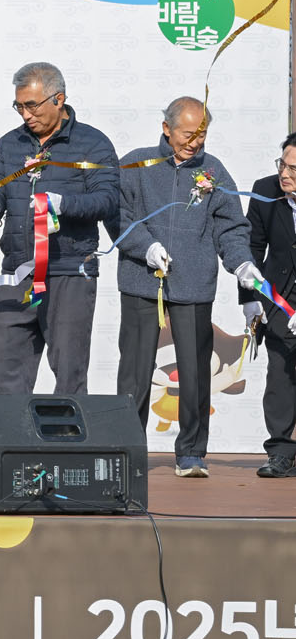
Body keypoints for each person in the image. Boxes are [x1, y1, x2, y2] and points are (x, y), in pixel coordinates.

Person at [113, 97, 258, 477]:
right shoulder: (136, 165)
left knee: (195, 371)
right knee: (134, 372)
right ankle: (127, 451)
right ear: (167, 129)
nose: (195, 142)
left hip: (194, 284)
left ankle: (192, 453)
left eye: (202, 134)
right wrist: (145, 247)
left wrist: (241, 263)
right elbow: (117, 216)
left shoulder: (214, 171)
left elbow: (231, 227)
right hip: (141, 282)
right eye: (187, 134)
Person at [0, 63, 118, 395]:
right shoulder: (11, 143)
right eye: (19, 106)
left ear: (59, 99)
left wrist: (64, 204)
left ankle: (68, 430)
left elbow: (108, 200)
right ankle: (9, 430)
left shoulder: (92, 143)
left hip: (68, 271)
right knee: (5, 371)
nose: (26, 115)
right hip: (17, 271)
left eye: (32, 105)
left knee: (69, 373)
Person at [245, 134, 296, 479]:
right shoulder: (264, 191)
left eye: (293, 169)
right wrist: (250, 299)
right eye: (282, 165)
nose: (284, 174)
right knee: (279, 373)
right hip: (279, 296)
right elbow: (251, 247)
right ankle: (280, 452)